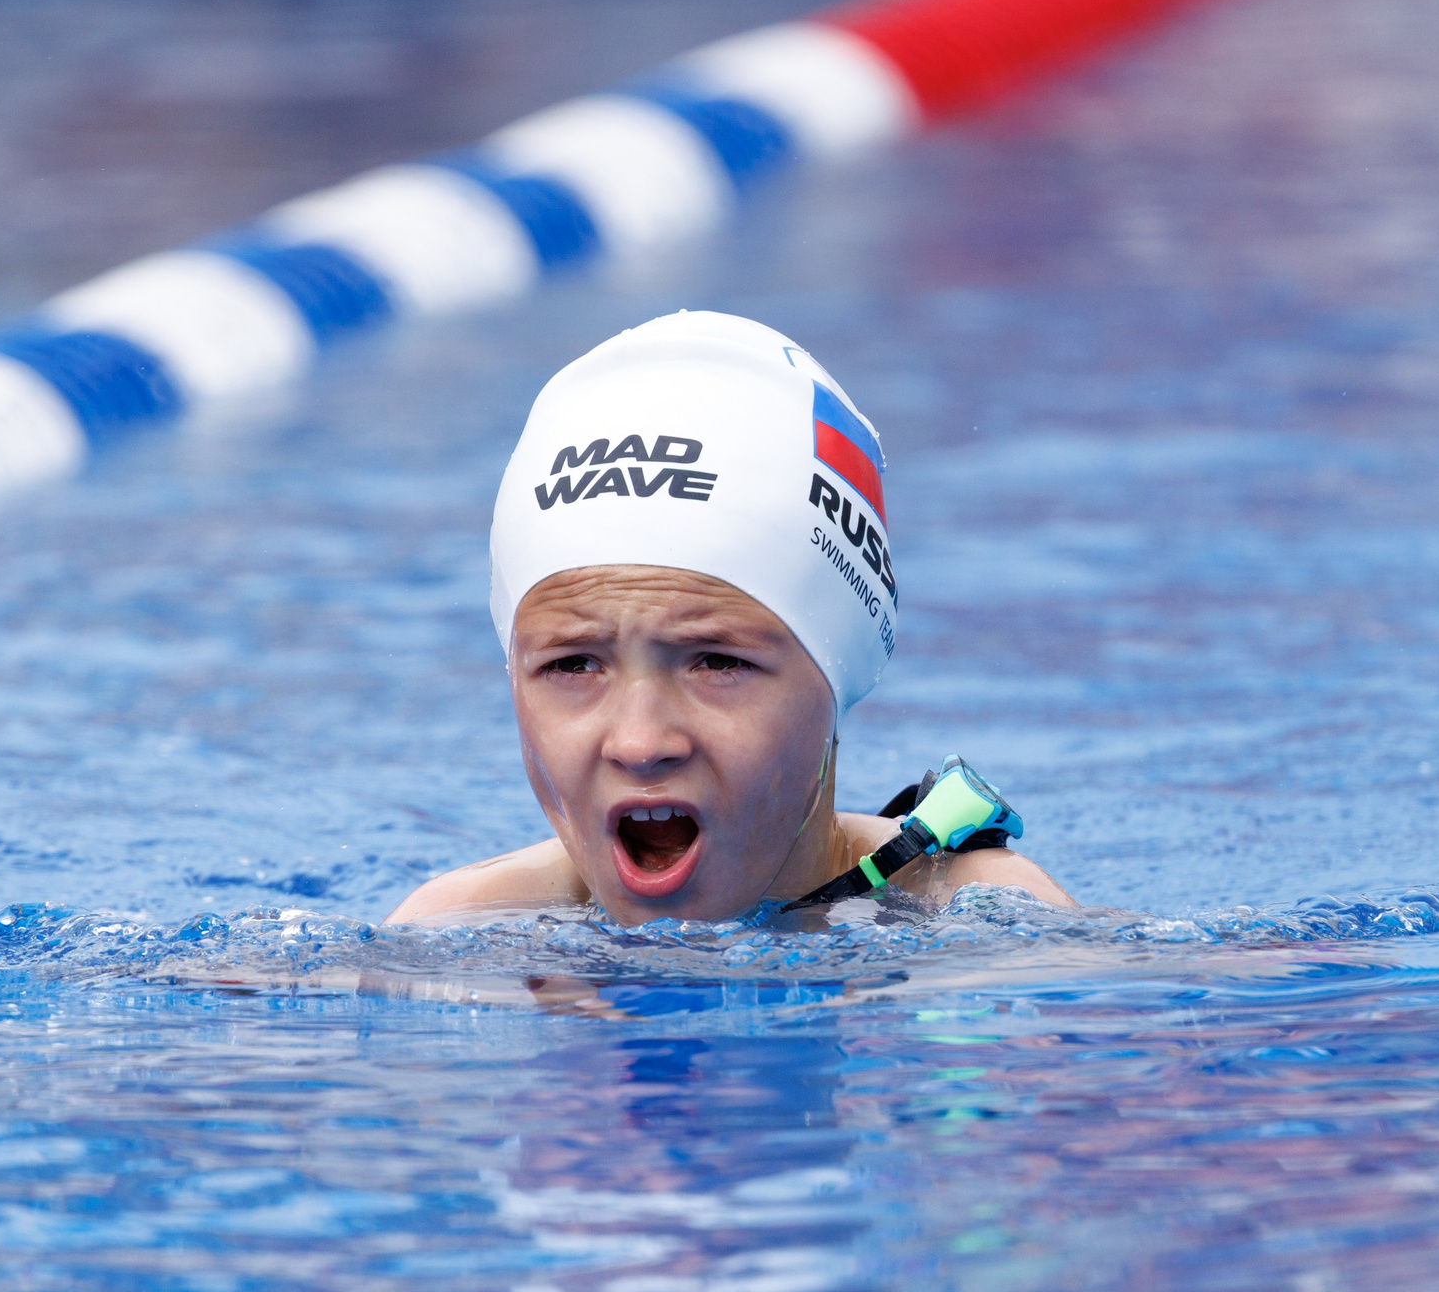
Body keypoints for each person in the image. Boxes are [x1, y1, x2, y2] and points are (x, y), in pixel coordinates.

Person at [388, 310, 1075, 926]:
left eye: (716, 661)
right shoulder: (456, 935)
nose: (639, 743)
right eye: (573, 663)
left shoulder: (987, 930)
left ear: (836, 675)